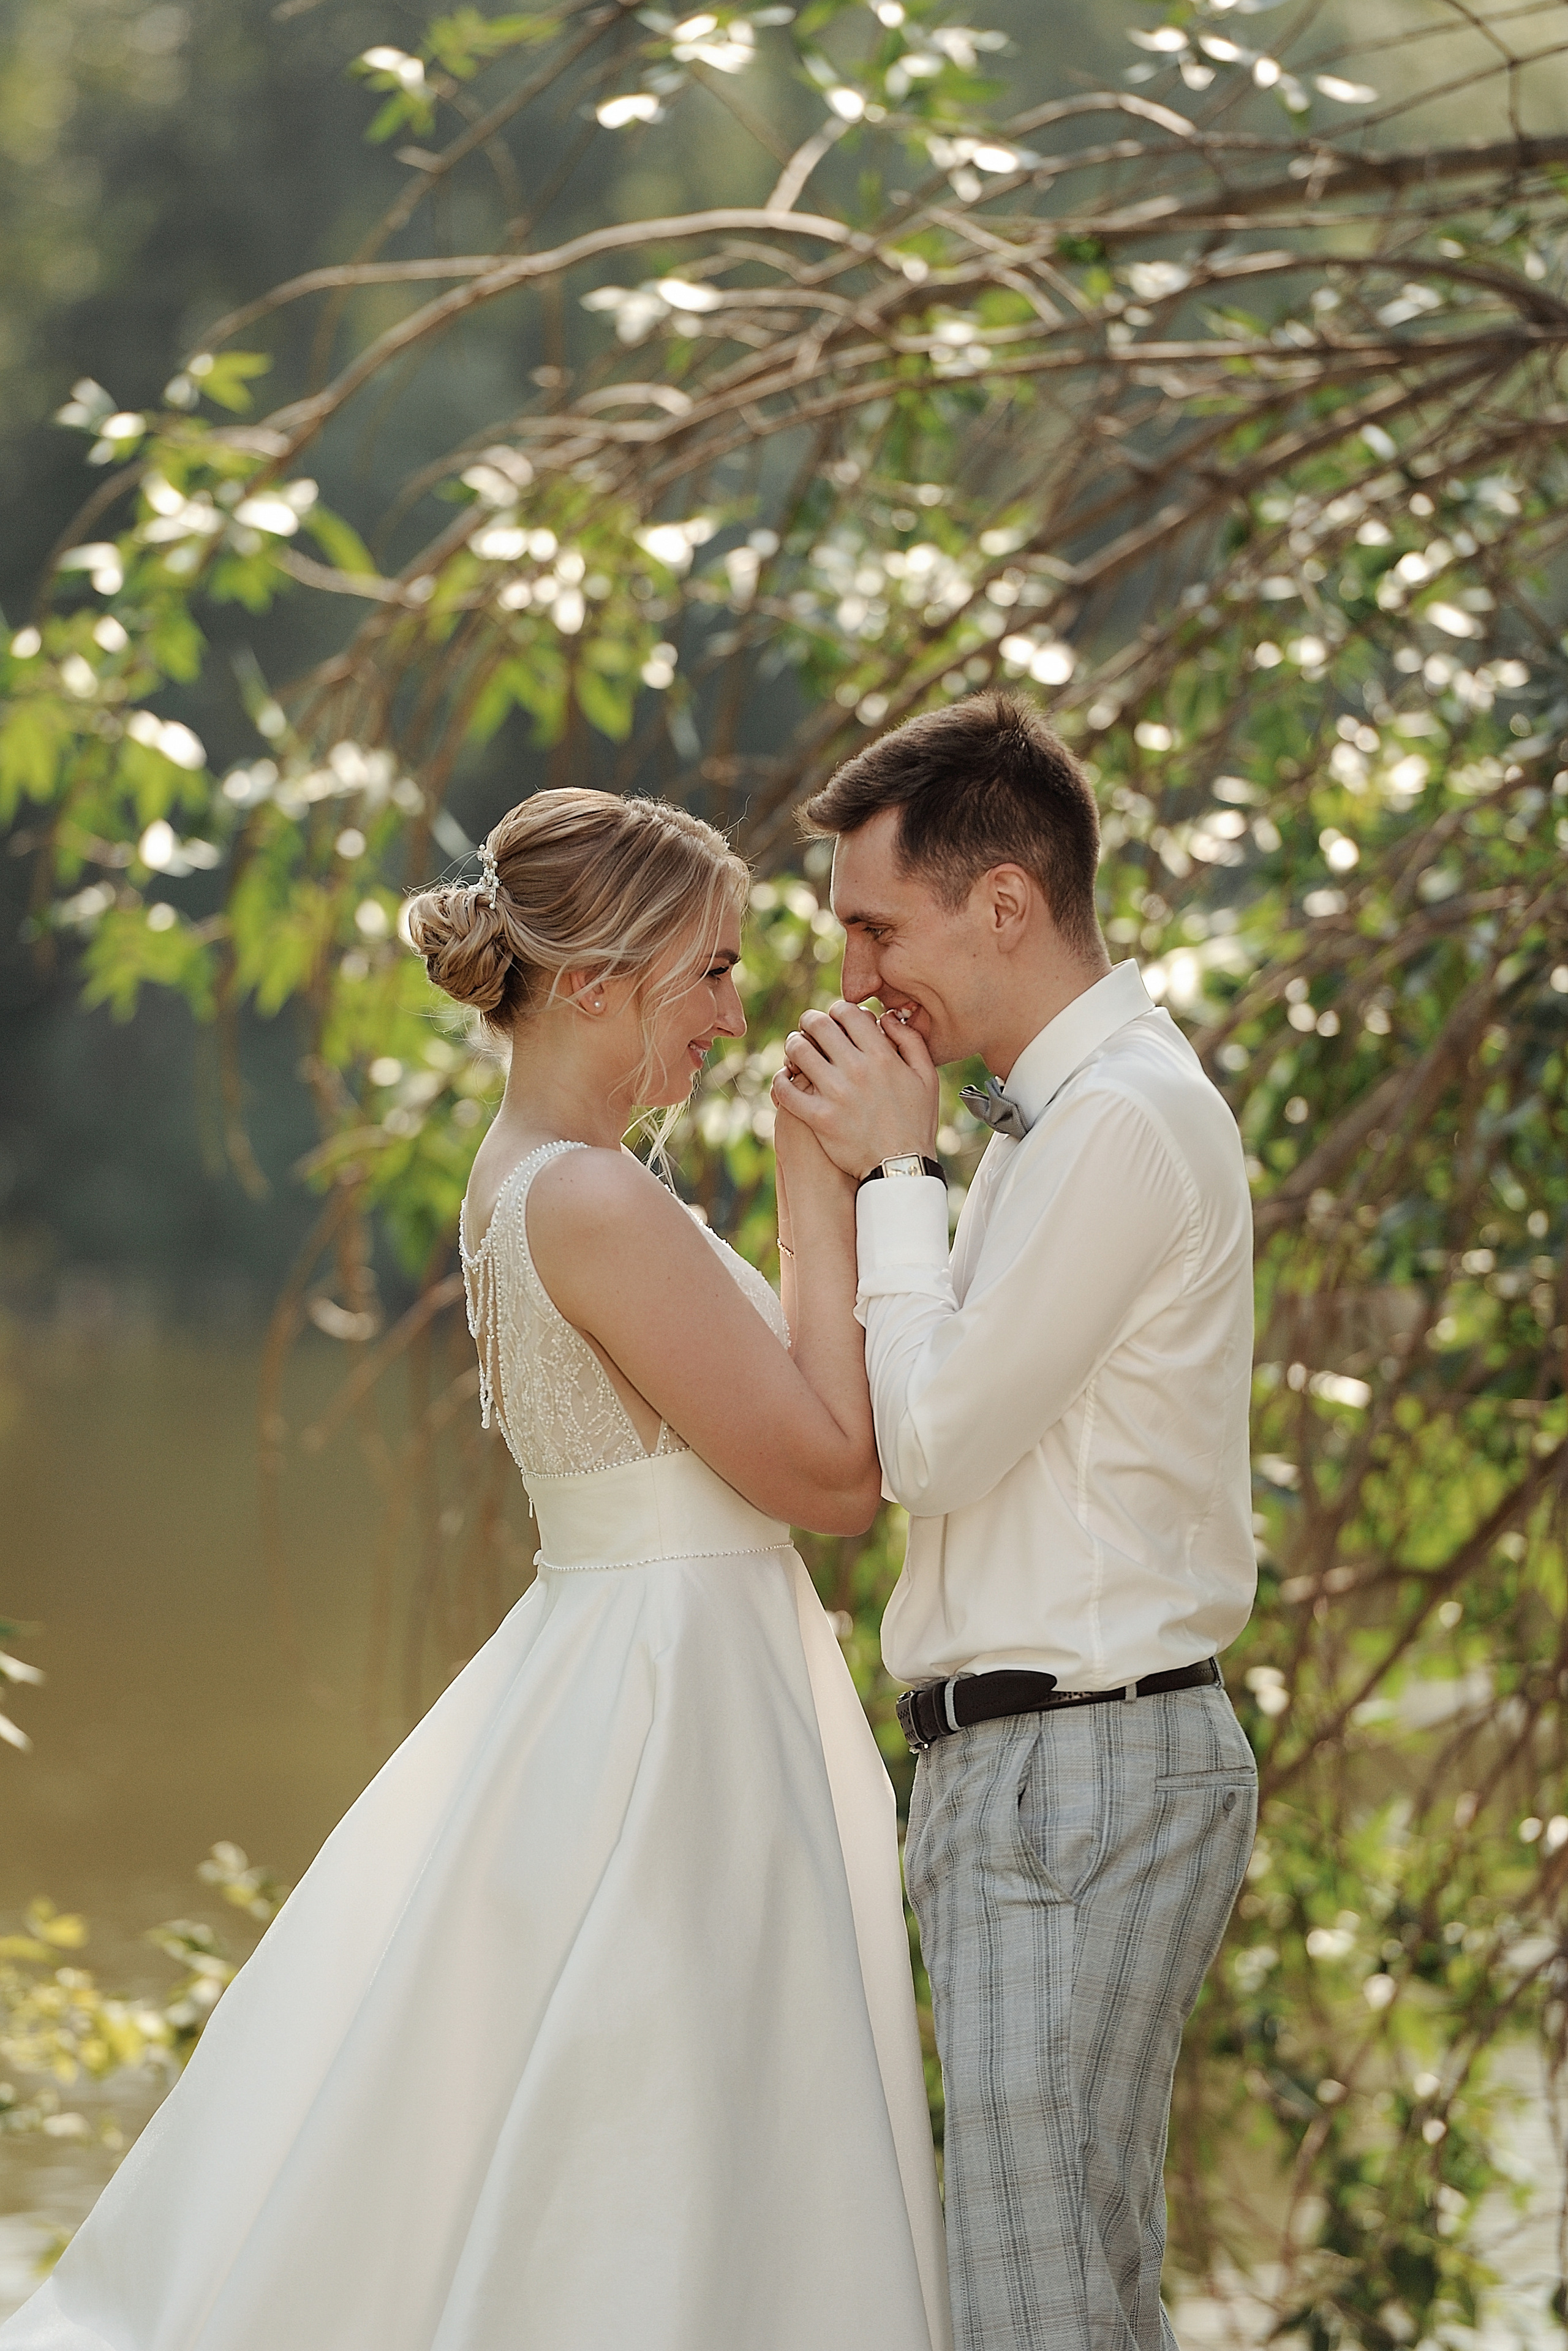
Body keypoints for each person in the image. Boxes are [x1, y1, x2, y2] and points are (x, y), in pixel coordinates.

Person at [2, 787, 949, 2351]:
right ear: (594, 982)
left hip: (643, 1662)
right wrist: (816, 1180)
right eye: (711, 971)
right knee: (675, 2134)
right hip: (674, 1708)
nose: (734, 1014)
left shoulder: (536, 1173)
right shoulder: (588, 1195)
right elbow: (837, 1476)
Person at [771, 693, 1258, 2351]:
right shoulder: (1062, 1118)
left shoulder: (1121, 1119)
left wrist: (902, 1179)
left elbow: (934, 1443)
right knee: (1061, 2293)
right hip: (1045, 1769)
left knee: (1035, 2308)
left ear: (1002, 903)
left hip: (1077, 1771)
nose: (853, 978)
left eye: (875, 928)